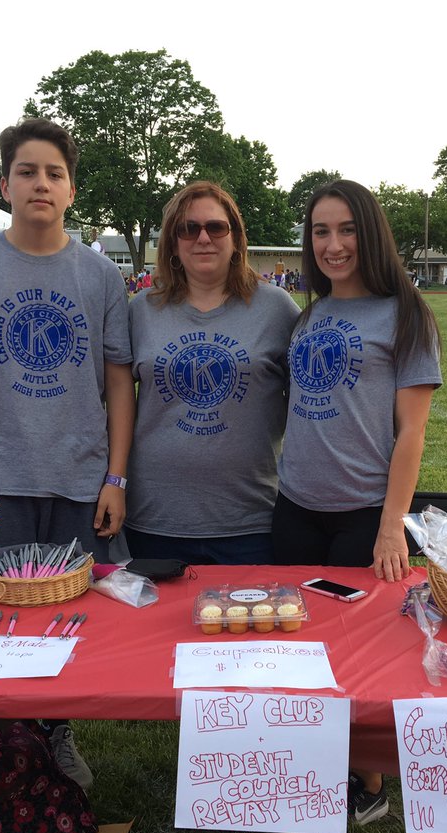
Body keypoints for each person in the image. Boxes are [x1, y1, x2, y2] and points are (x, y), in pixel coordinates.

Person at [0, 117, 135, 790]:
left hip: (77, 481)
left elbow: (119, 383)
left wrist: (116, 477)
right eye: (27, 171)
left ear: (71, 189)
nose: (41, 184)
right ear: (6, 183)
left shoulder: (100, 276)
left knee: (71, 620)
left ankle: (55, 735)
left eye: (55, 173)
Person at [271, 180, 442, 826]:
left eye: (345, 230)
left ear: (369, 233)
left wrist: (392, 526)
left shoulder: (405, 314)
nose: (333, 244)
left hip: (364, 514)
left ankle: (368, 780)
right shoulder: (309, 314)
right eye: (320, 232)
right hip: (294, 505)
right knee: (297, 636)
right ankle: (309, 759)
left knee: (354, 654)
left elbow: (413, 432)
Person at [125, 182, 299, 564]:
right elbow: (117, 406)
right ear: (172, 243)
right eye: (188, 229)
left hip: (251, 523)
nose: (203, 238)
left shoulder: (276, 308)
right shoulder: (141, 311)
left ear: (235, 238)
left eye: (216, 228)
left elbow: (307, 403)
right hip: (154, 520)